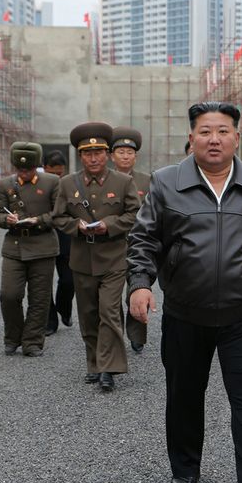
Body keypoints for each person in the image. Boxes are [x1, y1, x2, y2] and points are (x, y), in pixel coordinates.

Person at [127, 101, 242, 483]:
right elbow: (144, 240)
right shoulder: (166, 182)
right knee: (184, 398)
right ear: (192, 137)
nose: (214, 139)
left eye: (223, 131)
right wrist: (140, 284)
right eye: (205, 131)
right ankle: (185, 468)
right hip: (186, 314)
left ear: (237, 137)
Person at [53, 123, 140, 392]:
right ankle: (94, 362)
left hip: (114, 257)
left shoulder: (123, 181)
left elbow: (134, 215)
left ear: (108, 154)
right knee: (88, 313)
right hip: (82, 257)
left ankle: (109, 368)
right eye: (87, 153)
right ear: (80, 156)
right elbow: (58, 217)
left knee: (109, 311)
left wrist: (111, 224)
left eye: (99, 152)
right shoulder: (68, 183)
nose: (93, 158)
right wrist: (75, 227)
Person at [0, 142, 61, 357]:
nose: (24, 173)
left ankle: (32, 341)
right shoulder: (5, 185)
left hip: (43, 246)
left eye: (29, 169)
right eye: (20, 169)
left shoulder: (52, 182)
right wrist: (7, 219)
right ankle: (12, 336)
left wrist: (38, 220)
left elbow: (59, 214)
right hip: (14, 247)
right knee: (9, 295)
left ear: (37, 166)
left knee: (39, 298)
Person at [111, 126, 150, 353]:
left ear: (135, 156)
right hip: (111, 245)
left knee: (136, 290)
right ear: (112, 156)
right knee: (111, 296)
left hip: (138, 244)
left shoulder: (147, 181)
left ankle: (137, 335)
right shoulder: (104, 180)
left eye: (130, 152)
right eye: (121, 152)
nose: (126, 156)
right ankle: (113, 334)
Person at [43, 150, 74, 336]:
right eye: (52, 173)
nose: (56, 177)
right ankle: (50, 321)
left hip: (65, 239)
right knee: (43, 283)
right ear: (44, 167)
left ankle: (65, 309)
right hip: (43, 238)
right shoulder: (37, 184)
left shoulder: (69, 185)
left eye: (59, 173)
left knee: (69, 281)